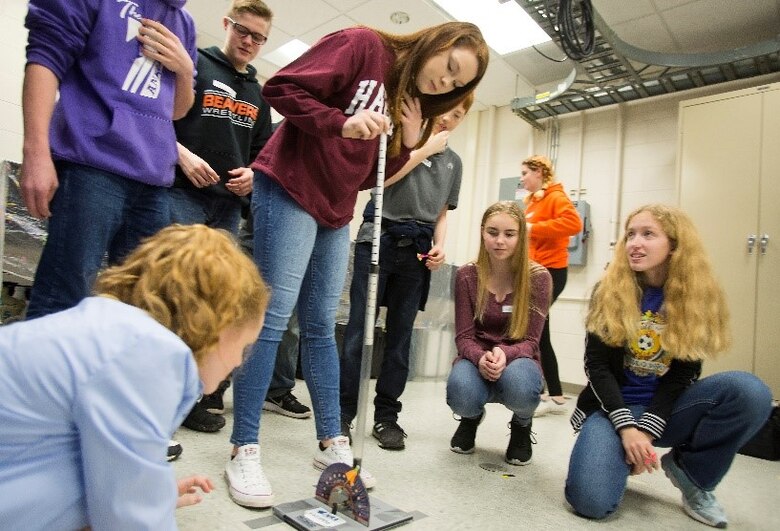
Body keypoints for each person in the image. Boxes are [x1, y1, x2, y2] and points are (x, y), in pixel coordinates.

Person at [225, 21, 489, 508]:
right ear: (438, 41)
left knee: (325, 326)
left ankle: (331, 445)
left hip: (334, 206)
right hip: (290, 185)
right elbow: (279, 88)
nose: (443, 84)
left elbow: (370, 176)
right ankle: (243, 446)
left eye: (456, 85)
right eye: (448, 68)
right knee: (273, 317)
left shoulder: (407, 101)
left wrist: (408, 140)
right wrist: (339, 121)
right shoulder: (365, 46)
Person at [0, 224, 270, 530]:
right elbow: (130, 521)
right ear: (219, 325)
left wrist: (150, 493)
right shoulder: (149, 353)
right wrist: (143, 505)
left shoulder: (107, 329)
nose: (238, 362)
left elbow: (61, 463)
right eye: (244, 347)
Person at [564, 204, 772, 528]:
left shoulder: (694, 297)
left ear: (673, 244)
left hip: (669, 409)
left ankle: (692, 475)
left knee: (750, 391)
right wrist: (627, 429)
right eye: (630, 234)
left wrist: (647, 429)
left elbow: (683, 376)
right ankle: (615, 453)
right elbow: (597, 367)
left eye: (648, 234)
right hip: (611, 408)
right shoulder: (609, 290)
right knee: (591, 503)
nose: (635, 243)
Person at [20, 0, 197, 320]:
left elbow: (176, 110)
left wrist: (185, 71)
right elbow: (45, 58)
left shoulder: (184, 23)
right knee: (65, 295)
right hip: (92, 165)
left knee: (142, 307)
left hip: (153, 180)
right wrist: (36, 152)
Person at [340, 92, 475, 451]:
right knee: (358, 331)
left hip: (417, 249)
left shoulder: (455, 164)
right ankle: (342, 413)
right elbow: (377, 182)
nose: (450, 118)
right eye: (449, 108)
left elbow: (443, 212)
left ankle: (386, 416)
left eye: (459, 115)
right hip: (379, 236)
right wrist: (425, 150)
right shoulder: (398, 139)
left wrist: (440, 245)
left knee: (400, 339)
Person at [172, 0, 274, 434]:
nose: (249, 42)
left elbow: (264, 155)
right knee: (173, 298)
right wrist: (183, 157)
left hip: (226, 210)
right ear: (227, 25)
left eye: (259, 37)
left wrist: (253, 176)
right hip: (181, 196)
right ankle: (156, 399)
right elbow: (164, 119)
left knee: (210, 308)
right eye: (243, 31)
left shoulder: (259, 93)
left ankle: (189, 401)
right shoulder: (195, 63)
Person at [446, 201, 552, 465]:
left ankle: (522, 424)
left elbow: (530, 341)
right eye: (492, 232)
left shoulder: (538, 278)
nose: (500, 241)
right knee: (460, 392)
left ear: (521, 236)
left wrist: (504, 353)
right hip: (476, 356)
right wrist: (480, 358)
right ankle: (469, 419)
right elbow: (464, 337)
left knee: (521, 387)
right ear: (482, 232)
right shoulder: (467, 275)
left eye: (509, 234)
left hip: (519, 359)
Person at [519, 155, 582, 415]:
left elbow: (573, 224)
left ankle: (543, 393)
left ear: (538, 173)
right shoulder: (532, 202)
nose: (521, 178)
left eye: (525, 173)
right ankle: (553, 392)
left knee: (534, 330)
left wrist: (533, 228)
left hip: (552, 272)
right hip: (534, 272)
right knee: (539, 330)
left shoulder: (556, 197)